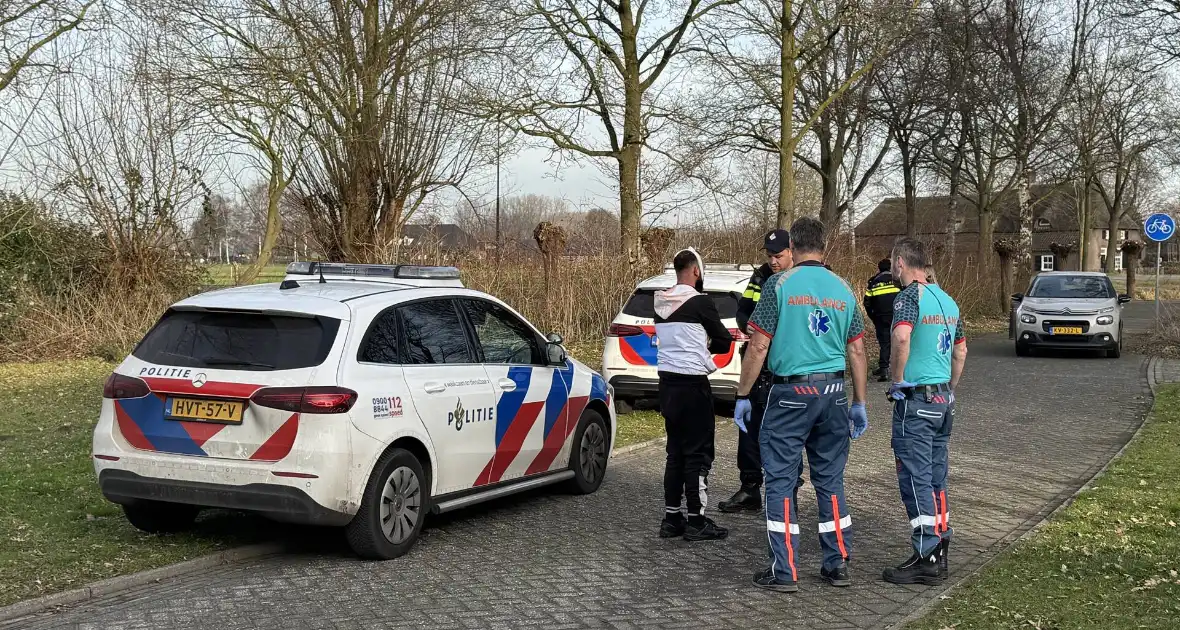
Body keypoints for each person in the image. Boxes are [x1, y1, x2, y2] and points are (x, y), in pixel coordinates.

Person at [734, 217, 870, 592]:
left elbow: (758, 345)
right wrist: (859, 402)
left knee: (779, 480)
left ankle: (785, 570)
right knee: (831, 481)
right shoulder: (843, 288)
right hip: (833, 394)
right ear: (824, 244)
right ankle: (837, 564)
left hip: (790, 395)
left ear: (793, 245)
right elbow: (857, 349)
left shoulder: (779, 284)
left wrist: (743, 395)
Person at [882, 238, 967, 585]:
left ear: (900, 263)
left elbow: (902, 338)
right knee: (935, 477)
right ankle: (940, 545)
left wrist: (897, 380)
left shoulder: (908, 297)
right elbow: (960, 352)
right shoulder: (946, 299)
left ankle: (926, 554)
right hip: (943, 401)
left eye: (892, 263)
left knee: (914, 478)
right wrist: (948, 389)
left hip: (915, 403)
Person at [655, 247, 734, 542]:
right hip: (693, 385)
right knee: (697, 455)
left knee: (674, 453)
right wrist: (705, 350)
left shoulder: (659, 301)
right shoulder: (701, 302)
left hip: (667, 385)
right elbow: (724, 340)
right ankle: (697, 520)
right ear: (697, 271)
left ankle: (671, 519)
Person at [719, 228, 793, 514]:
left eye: (779, 255)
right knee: (749, 428)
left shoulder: (800, 279)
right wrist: (751, 326)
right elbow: (743, 312)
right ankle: (750, 487)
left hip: (788, 367)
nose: (773, 261)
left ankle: (789, 487)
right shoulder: (761, 276)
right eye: (770, 255)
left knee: (786, 431)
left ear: (792, 251)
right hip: (759, 365)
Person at [864, 258, 900, 382]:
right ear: (891, 268)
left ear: (879, 268)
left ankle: (884, 369)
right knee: (899, 341)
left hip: (880, 317)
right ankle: (899, 369)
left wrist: (873, 317)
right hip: (897, 316)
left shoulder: (874, 282)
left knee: (884, 343)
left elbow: (867, 302)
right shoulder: (897, 280)